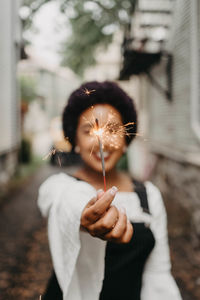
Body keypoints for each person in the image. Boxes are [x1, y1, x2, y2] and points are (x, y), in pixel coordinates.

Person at [38, 81, 182, 300]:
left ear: (126, 140)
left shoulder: (149, 195)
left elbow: (158, 274)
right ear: (75, 141)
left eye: (113, 130)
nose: (102, 141)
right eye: (89, 131)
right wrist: (85, 215)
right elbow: (67, 202)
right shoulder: (59, 186)